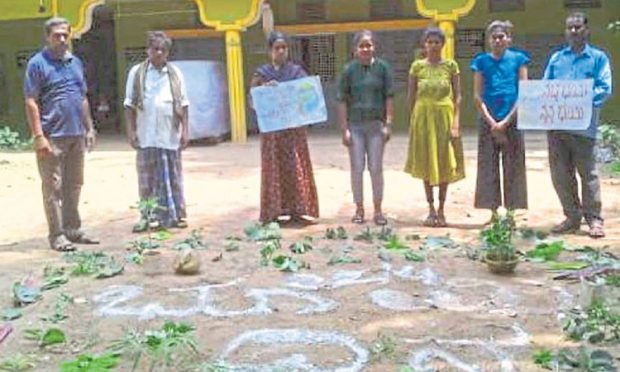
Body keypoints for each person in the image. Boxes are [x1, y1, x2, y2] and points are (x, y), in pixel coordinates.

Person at [24, 17, 98, 252]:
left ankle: (73, 230)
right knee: (53, 187)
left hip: (76, 134)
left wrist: (90, 128)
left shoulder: (75, 62)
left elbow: (82, 97)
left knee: (74, 184)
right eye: (57, 35)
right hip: (52, 136)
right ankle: (57, 235)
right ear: (47, 37)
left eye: (66, 34)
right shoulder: (37, 64)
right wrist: (38, 136)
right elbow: (31, 101)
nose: (63, 39)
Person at [544, 12, 612, 238]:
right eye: (569, 28)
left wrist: (580, 101)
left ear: (587, 30)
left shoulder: (598, 58)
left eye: (577, 27)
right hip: (557, 128)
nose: (573, 31)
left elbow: (604, 88)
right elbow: (546, 87)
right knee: (561, 175)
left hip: (584, 127)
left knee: (588, 174)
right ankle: (572, 217)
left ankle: (594, 220)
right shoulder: (556, 59)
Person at [250, 31, 319, 224]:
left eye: (283, 48)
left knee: (294, 166)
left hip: (293, 131)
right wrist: (265, 90)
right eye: (276, 48)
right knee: (274, 167)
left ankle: (298, 210)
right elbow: (252, 101)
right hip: (272, 133)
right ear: (269, 51)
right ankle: (274, 211)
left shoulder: (296, 73)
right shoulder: (262, 74)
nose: (280, 51)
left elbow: (308, 95)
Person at [124, 31, 190, 231]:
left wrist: (185, 131)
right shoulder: (137, 73)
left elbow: (184, 104)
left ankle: (174, 216)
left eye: (163, 49)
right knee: (147, 180)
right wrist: (131, 131)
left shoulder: (175, 74)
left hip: (169, 135)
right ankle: (147, 217)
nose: (159, 53)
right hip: (146, 135)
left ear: (168, 52)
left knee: (172, 178)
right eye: (155, 49)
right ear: (148, 50)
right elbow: (129, 105)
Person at [405, 28, 465, 227]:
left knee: (444, 161)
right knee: (427, 163)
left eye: (436, 42)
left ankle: (442, 209)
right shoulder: (417, 67)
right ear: (424, 45)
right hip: (423, 118)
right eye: (429, 42)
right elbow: (411, 96)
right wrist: (413, 121)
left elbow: (458, 97)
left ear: (443, 44)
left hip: (445, 117)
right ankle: (430, 209)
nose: (433, 46)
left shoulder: (451, 66)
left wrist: (456, 122)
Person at [471, 20, 529, 221]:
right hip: (488, 121)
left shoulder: (519, 60)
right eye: (494, 37)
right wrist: (492, 122)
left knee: (513, 166)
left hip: (513, 120)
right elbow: (477, 96)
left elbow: (524, 92)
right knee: (488, 166)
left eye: (501, 36)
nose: (497, 40)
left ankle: (511, 213)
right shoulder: (481, 61)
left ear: (509, 39)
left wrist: (505, 122)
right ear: (489, 41)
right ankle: (494, 213)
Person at [337, 30, 394, 226]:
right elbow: (342, 101)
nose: (365, 49)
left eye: (368, 45)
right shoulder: (348, 71)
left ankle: (378, 210)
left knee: (376, 168)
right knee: (357, 168)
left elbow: (389, 97)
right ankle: (359, 209)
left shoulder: (383, 69)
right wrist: (344, 129)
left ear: (374, 47)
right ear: (355, 50)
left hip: (376, 126)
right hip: (355, 127)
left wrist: (389, 124)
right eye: (361, 46)